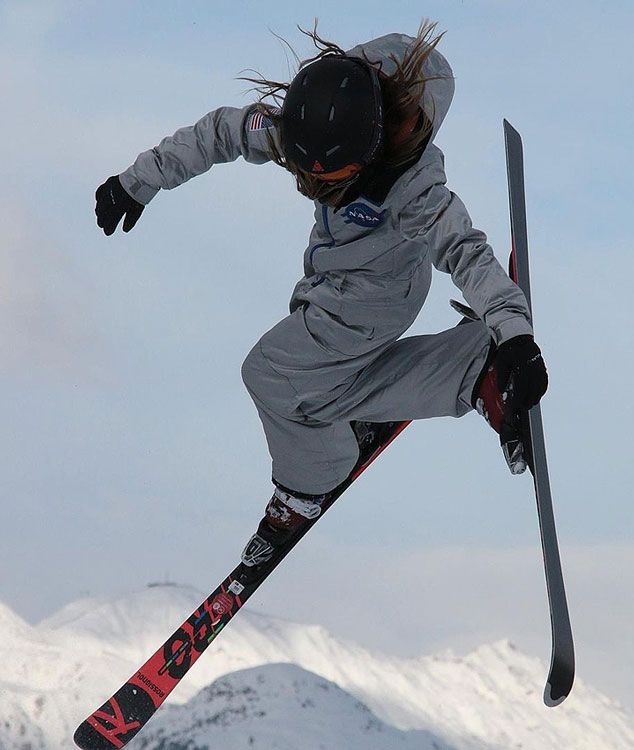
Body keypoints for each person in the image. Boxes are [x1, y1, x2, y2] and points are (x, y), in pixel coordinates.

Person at [95, 22, 548, 576]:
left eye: (334, 182)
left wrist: (515, 332)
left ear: (372, 150)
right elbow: (220, 131)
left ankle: (310, 482)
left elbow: (466, 251)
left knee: (272, 375)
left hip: (374, 296)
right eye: (310, 180)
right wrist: (136, 181)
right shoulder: (305, 120)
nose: (318, 190)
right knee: (313, 385)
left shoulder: (411, 185)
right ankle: (470, 370)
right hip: (332, 281)